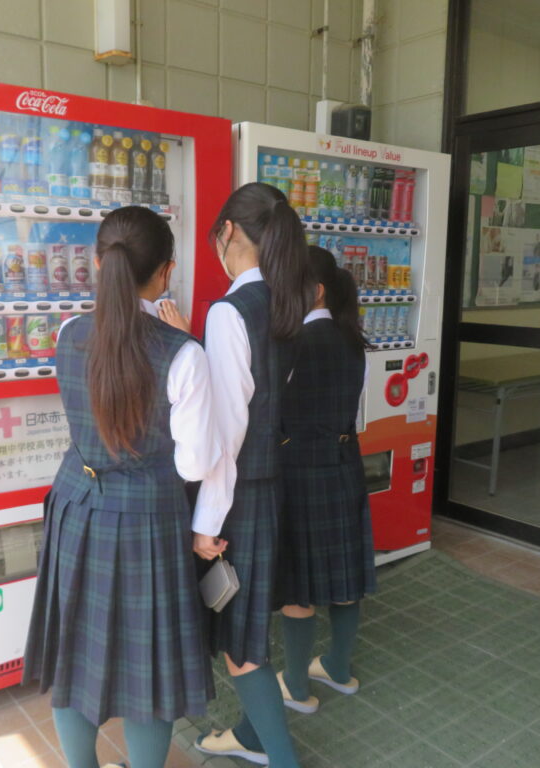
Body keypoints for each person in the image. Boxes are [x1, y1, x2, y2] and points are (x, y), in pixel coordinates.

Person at [22, 206, 222, 768]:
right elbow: (195, 464)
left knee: (75, 656)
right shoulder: (183, 353)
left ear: (97, 263)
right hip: (147, 520)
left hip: (76, 505)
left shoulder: (69, 333)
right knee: (149, 669)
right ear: (166, 273)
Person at [162, 182, 314, 768]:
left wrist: (206, 522)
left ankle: (280, 757)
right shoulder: (288, 300)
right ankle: (253, 736)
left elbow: (226, 433)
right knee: (251, 626)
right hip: (274, 487)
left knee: (240, 645)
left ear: (228, 231)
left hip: (239, 498)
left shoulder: (230, 311)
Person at [272, 246, 377, 717]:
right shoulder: (352, 339)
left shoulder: (293, 344)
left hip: (300, 470)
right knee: (344, 574)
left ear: (314, 291)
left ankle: (296, 686)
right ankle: (337, 666)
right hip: (344, 462)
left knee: (299, 585)